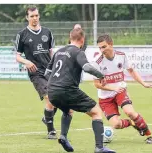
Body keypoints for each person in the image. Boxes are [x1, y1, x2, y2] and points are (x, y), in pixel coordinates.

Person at [46, 28, 116, 153]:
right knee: (96, 112)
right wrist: (101, 75)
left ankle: (63, 136)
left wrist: (54, 86)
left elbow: (47, 72)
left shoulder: (59, 52)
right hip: (67, 90)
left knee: (68, 110)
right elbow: (86, 67)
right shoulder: (78, 52)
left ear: (70, 37)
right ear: (82, 40)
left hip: (52, 91)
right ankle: (99, 147)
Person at [92, 34, 152, 144]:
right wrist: (113, 87)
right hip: (105, 98)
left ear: (111, 44)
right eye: (99, 47)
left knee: (130, 111)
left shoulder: (121, 56)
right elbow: (97, 84)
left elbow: (131, 70)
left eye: (104, 47)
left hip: (120, 91)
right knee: (116, 124)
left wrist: (144, 83)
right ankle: (132, 123)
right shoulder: (97, 63)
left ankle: (149, 135)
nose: (101, 50)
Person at [14, 6, 57, 139]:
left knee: (58, 98)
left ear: (39, 16)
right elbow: (17, 56)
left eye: (36, 15)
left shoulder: (47, 32)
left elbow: (51, 52)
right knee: (49, 97)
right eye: (32, 16)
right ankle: (51, 131)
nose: (34, 18)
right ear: (27, 17)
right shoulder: (22, 35)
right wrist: (27, 62)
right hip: (36, 73)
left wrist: (56, 65)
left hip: (49, 71)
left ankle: (46, 117)